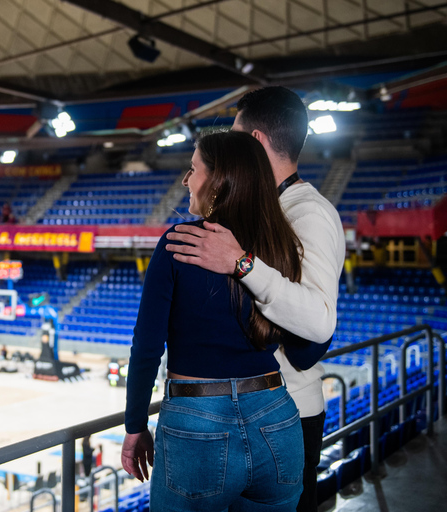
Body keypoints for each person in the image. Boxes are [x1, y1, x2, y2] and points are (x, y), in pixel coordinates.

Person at [165, 86, 344, 512]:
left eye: (237, 134)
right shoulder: (265, 207)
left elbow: (319, 322)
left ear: (257, 141)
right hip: (246, 411)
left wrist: (242, 263)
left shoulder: (307, 212)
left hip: (288, 414)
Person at [122, 131, 319, 511]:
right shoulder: (282, 245)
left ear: (219, 179)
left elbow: (146, 348)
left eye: (193, 169)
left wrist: (134, 426)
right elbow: (309, 345)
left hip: (197, 423)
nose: (185, 179)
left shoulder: (179, 242)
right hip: (277, 417)